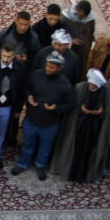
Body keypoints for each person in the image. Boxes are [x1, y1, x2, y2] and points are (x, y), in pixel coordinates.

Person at [11, 51, 76, 180]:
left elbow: (69, 104)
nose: (48, 69)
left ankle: (40, 165)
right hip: (31, 119)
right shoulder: (36, 75)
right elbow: (27, 89)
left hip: (50, 123)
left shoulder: (65, 85)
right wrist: (28, 97)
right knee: (27, 144)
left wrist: (56, 108)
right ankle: (23, 163)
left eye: (52, 67)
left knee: (45, 147)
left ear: (59, 68)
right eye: (47, 65)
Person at [48, 69, 110, 182]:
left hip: (94, 129)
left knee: (88, 151)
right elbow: (72, 106)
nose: (92, 86)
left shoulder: (106, 93)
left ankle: (85, 175)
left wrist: (99, 113)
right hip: (78, 127)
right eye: (91, 84)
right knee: (76, 150)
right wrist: (80, 109)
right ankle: (72, 173)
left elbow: (108, 113)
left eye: (94, 85)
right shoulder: (80, 88)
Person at [61, 0, 95, 80]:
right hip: (69, 50)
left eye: (85, 16)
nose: (83, 19)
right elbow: (59, 34)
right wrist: (70, 41)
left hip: (83, 53)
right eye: (81, 15)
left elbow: (91, 33)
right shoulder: (65, 18)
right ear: (77, 10)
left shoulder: (90, 20)